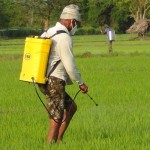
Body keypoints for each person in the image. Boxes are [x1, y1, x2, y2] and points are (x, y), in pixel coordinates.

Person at [39, 4, 88, 144]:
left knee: (71, 108)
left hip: (44, 79)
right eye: (76, 23)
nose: (76, 26)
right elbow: (70, 65)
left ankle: (58, 140)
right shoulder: (64, 37)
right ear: (71, 21)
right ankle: (50, 144)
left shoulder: (49, 31)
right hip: (54, 80)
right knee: (56, 116)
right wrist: (81, 82)